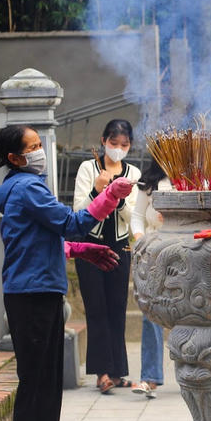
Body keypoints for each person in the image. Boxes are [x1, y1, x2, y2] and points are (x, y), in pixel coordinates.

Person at [0, 124, 133, 421]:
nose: (39, 150)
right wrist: (109, 196)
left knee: (50, 380)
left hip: (43, 289)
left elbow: (44, 237)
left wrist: (81, 250)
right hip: (31, 294)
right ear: (14, 157)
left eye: (40, 143)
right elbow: (72, 224)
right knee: (35, 381)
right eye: (33, 146)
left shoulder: (25, 188)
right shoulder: (27, 188)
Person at [72, 119, 142, 393]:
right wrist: (98, 189)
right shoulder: (88, 168)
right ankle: (101, 373)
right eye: (113, 144)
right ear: (103, 141)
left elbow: (131, 214)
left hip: (120, 246)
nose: (118, 149)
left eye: (124, 145)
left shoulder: (132, 172)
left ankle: (117, 372)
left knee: (117, 309)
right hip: (90, 247)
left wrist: (119, 194)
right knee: (97, 310)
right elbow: (79, 210)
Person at [131, 160, 171, 399]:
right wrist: (140, 240)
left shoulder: (190, 179)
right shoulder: (148, 184)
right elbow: (137, 216)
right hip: (153, 251)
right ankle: (150, 376)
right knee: (150, 312)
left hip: (185, 248)